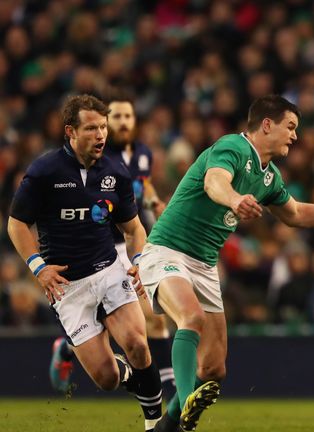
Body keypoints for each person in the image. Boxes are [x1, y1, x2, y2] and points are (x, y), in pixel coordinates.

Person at [143, 95, 314, 432]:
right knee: (189, 317)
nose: (295, 135)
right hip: (168, 251)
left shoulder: (269, 177)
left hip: (204, 265)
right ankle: (186, 405)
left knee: (214, 368)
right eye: (290, 127)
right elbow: (214, 182)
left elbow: (296, 214)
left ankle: (168, 425)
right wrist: (236, 200)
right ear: (267, 125)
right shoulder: (232, 147)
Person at [7, 94, 163, 431]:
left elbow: (134, 229)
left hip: (108, 269)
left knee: (138, 342)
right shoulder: (44, 171)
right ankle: (131, 377)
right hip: (67, 287)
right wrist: (38, 267)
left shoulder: (116, 173)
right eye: (91, 128)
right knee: (106, 378)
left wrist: (139, 260)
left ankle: (157, 423)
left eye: (103, 127)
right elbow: (16, 224)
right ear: (70, 132)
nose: (101, 135)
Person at [49, 94, 177, 400]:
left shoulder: (141, 154)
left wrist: (155, 201)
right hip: (100, 247)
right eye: (115, 117)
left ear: (133, 122)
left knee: (155, 316)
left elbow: (140, 187)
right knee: (140, 318)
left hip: (131, 241)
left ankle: (167, 388)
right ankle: (72, 346)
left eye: (127, 117)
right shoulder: (89, 157)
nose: (120, 123)